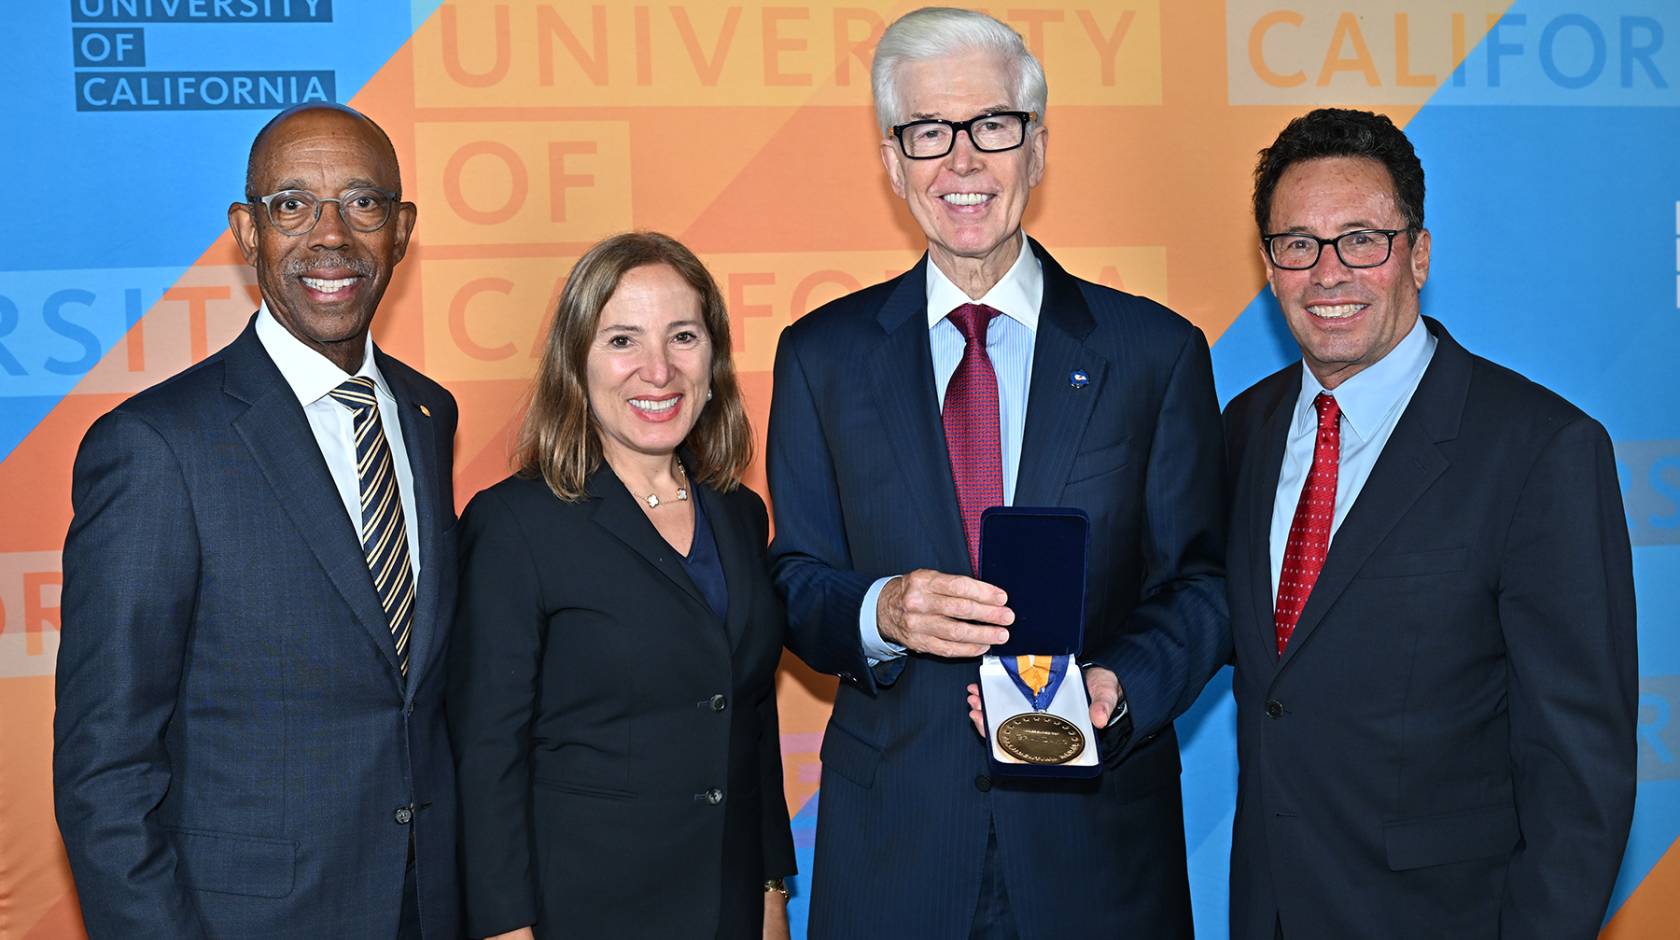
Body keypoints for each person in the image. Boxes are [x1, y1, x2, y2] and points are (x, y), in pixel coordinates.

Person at [766, 8, 1228, 937]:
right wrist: (882, 612)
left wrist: (1119, 687)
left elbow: (1204, 586)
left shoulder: (1155, 352)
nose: (962, 162)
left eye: (993, 126)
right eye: (928, 132)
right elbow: (795, 581)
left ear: (1039, 148)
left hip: (1097, 857)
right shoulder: (821, 356)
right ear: (893, 163)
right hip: (896, 855)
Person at [1223, 107, 1637, 939]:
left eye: (1362, 240)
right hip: (1269, 911)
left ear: (1417, 254)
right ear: (1270, 267)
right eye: (1297, 243)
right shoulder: (1243, 429)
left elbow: (1579, 771)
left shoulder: (1541, 449)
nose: (1328, 273)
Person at [54, 104, 460, 939]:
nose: (331, 236)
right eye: (292, 205)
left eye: (362, 202)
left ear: (402, 228)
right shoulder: (156, 446)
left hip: (429, 911)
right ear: (247, 230)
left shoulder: (427, 414)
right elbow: (106, 769)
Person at [448, 232, 796, 940]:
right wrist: (505, 931)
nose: (658, 370)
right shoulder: (515, 523)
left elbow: (749, 720)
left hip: (727, 906)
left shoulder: (738, 511)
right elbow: (487, 757)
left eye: (683, 336)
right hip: (581, 912)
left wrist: (768, 894)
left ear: (714, 357)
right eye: (622, 341)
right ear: (576, 362)